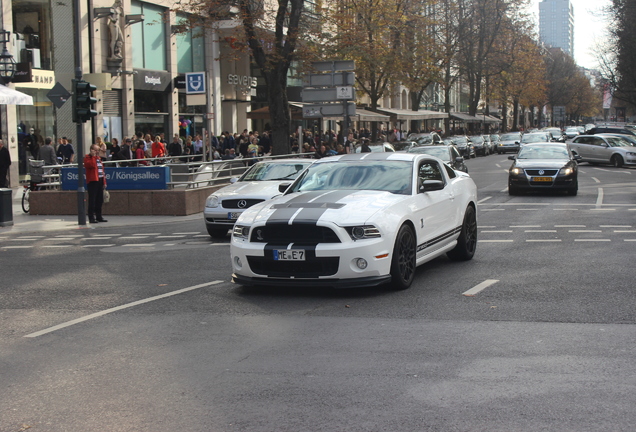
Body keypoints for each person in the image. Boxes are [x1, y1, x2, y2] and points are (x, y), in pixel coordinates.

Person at [83, 144, 107, 223]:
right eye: (96, 150)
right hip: (93, 181)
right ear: (91, 150)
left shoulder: (99, 158)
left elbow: (101, 171)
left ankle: (99, 216)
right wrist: (93, 156)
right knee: (92, 200)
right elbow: (91, 165)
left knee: (99, 200)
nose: (97, 152)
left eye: (98, 150)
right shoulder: (88, 158)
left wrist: (104, 182)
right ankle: (91, 217)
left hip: (99, 180)